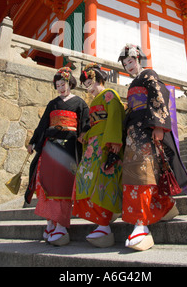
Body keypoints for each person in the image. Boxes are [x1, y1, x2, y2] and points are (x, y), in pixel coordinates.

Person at [118, 44, 187, 251]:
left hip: (146, 129)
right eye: (125, 63)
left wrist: (159, 125)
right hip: (133, 133)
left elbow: (158, 96)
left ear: (139, 60)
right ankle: (166, 206)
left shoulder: (149, 75)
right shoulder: (134, 82)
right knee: (145, 172)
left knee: (142, 173)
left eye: (131, 61)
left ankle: (141, 225)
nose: (129, 66)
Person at [25, 67, 90, 246]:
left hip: (68, 148)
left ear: (70, 84)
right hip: (50, 147)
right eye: (58, 85)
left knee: (62, 185)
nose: (61, 88)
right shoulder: (52, 104)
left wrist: (84, 134)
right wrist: (33, 141)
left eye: (64, 84)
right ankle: (50, 222)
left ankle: (61, 226)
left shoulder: (79, 103)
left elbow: (85, 123)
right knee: (46, 183)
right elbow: (42, 124)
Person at [72, 63, 125, 248]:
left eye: (89, 82)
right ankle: (101, 221)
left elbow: (115, 117)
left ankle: (104, 223)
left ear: (98, 79)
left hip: (104, 144)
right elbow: (95, 123)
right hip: (93, 145)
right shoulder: (95, 100)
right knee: (85, 178)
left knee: (101, 180)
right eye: (85, 84)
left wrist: (114, 142)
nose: (88, 86)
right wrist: (86, 136)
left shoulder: (109, 95)